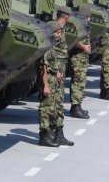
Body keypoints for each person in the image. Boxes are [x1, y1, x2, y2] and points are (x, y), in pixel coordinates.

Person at [38, 19, 73, 147]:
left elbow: (52, 63)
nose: (59, 35)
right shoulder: (45, 46)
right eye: (57, 32)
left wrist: (57, 71)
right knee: (46, 108)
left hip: (54, 81)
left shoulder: (52, 45)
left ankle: (57, 134)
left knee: (56, 106)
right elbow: (42, 68)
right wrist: (46, 86)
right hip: (48, 82)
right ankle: (44, 136)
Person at [68, 5, 92, 118]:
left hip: (82, 58)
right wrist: (84, 47)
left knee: (80, 82)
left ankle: (77, 105)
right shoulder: (77, 25)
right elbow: (74, 39)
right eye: (87, 16)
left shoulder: (82, 24)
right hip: (78, 58)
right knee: (78, 82)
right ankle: (75, 108)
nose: (89, 19)